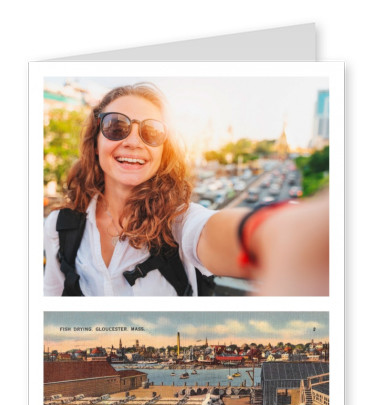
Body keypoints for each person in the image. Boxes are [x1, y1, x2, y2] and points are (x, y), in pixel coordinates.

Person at [44, 83, 329, 297]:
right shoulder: (59, 227)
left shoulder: (177, 222)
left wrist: (277, 233)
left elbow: (211, 232)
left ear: (163, 151)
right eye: (116, 126)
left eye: (151, 131)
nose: (133, 141)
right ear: (95, 140)